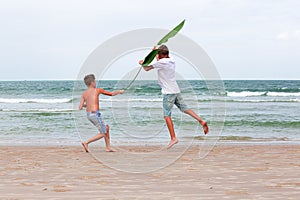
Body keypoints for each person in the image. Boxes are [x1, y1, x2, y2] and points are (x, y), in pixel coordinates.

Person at [139, 45, 209, 149]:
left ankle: (173, 138)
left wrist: (141, 62)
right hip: (175, 90)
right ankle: (201, 120)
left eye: (157, 55)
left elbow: (146, 68)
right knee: (184, 108)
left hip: (168, 92)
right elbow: (159, 59)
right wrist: (156, 52)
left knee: (166, 115)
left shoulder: (161, 62)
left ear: (160, 55)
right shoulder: (171, 60)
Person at [79, 74, 124, 152]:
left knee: (106, 128)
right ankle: (86, 142)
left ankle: (108, 147)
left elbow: (80, 107)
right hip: (95, 114)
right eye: (95, 81)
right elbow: (111, 94)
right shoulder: (97, 90)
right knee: (103, 132)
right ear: (92, 82)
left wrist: (89, 105)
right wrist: (119, 92)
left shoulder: (84, 93)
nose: (96, 83)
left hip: (89, 115)